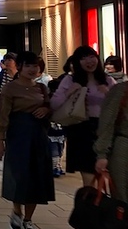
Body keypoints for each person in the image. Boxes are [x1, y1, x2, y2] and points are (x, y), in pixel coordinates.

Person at [0, 51, 55, 229]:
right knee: (19, 176)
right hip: (18, 137)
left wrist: (45, 109)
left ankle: (28, 219)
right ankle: (17, 211)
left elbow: (50, 108)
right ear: (19, 67)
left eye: (35, 66)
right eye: (28, 65)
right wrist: (0, 142)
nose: (32, 69)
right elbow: (3, 115)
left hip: (38, 136)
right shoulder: (10, 89)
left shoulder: (41, 88)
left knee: (36, 177)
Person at [49, 46, 114, 188]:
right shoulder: (70, 80)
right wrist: (70, 92)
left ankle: (100, 200)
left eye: (91, 57)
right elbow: (54, 104)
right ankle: (91, 200)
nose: (89, 61)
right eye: (83, 58)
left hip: (105, 129)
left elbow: (119, 106)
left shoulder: (107, 80)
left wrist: (108, 93)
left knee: (108, 174)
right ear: (77, 62)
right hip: (81, 129)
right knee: (89, 175)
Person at [95, 81, 128, 229]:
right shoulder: (121, 91)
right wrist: (102, 154)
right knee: (123, 206)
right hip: (124, 152)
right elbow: (107, 124)